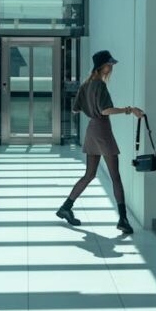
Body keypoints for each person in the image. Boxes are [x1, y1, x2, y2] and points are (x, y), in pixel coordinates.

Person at [57, 50, 144, 235]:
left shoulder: (86, 85)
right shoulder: (100, 86)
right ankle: (123, 219)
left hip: (92, 130)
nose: (111, 67)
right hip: (102, 131)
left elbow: (75, 110)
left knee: (89, 174)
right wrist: (130, 110)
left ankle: (66, 207)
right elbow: (105, 111)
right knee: (115, 176)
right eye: (109, 64)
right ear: (101, 66)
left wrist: (91, 108)